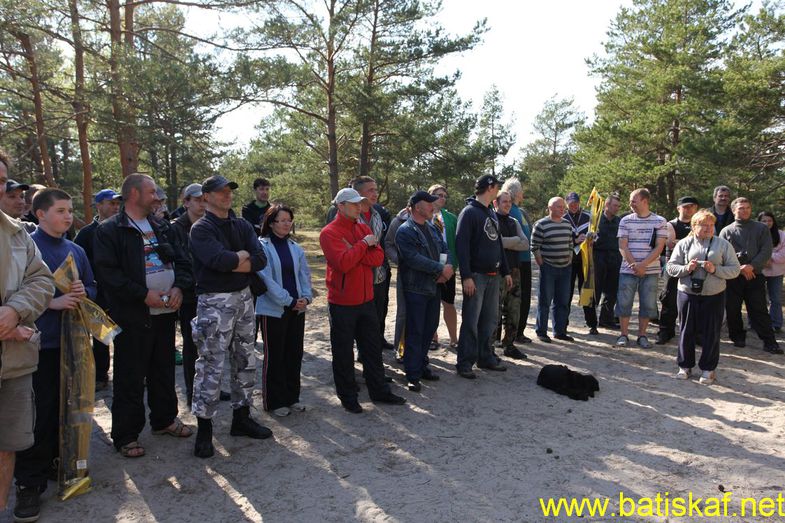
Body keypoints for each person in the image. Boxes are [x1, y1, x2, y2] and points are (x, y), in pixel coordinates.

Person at [94, 173, 194, 459]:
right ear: (135, 194)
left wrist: (178, 287)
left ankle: (164, 420)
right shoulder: (110, 230)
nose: (157, 197)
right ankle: (126, 435)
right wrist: (142, 294)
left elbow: (183, 261)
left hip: (165, 313)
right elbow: (109, 274)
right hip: (133, 316)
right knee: (130, 376)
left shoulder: (162, 226)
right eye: (151, 192)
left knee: (163, 369)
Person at [13, 189, 97, 522]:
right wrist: (52, 302)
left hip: (73, 344)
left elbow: (92, 286)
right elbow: (15, 293)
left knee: (68, 408)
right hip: (39, 346)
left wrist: (83, 292)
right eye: (60, 210)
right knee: (39, 414)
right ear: (40, 214)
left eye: (70, 210)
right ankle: (28, 484)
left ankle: (57, 464)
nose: (68, 216)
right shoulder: (26, 247)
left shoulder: (76, 250)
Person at [189, 175, 273, 458]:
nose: (227, 195)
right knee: (211, 364)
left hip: (244, 299)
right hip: (214, 301)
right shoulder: (201, 229)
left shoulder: (241, 225)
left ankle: (242, 417)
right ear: (206, 197)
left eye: (229, 191)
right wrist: (240, 258)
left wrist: (235, 260)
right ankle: (204, 428)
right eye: (220, 191)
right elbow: (218, 260)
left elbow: (260, 260)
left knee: (245, 359)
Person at [0, 150, 54, 516]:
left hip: (14, 365)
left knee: (8, 446)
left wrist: (15, 310)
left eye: (2, 180)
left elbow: (41, 280)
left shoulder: (17, 233)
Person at [319, 188, 406, 413]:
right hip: (342, 302)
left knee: (372, 349)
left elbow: (378, 258)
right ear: (340, 206)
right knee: (343, 352)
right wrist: (363, 245)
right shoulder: (329, 232)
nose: (359, 207)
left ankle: (379, 391)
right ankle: (348, 396)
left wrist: (357, 250)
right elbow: (343, 263)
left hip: (366, 299)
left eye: (360, 203)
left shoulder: (363, 228)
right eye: (354, 203)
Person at [666, 210, 740, 385]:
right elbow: (671, 267)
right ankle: (685, 366)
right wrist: (686, 269)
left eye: (711, 225)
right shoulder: (684, 243)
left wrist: (715, 270)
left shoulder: (723, 245)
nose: (708, 228)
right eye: (704, 225)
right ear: (694, 226)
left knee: (711, 332)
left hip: (714, 294)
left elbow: (735, 270)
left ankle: (708, 369)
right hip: (687, 293)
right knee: (686, 330)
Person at [256, 204, 313, 417]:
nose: (286, 224)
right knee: (275, 355)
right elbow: (266, 279)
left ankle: (292, 397)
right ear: (271, 223)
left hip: (297, 309)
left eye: (289, 220)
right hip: (274, 309)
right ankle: (275, 400)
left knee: (294, 354)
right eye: (282, 220)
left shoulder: (295, 247)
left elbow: (304, 275)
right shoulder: (261, 246)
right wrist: (288, 301)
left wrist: (306, 297)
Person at [454, 174, 511, 379]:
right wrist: (466, 276)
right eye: (497, 187)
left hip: (493, 275)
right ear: (490, 187)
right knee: (471, 320)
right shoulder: (469, 213)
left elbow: (498, 243)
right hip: (476, 276)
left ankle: (485, 357)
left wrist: (506, 271)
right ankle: (465, 362)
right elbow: (461, 246)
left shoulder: (490, 212)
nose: (498, 190)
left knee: (489, 320)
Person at [327, 177, 394, 350]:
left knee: (379, 313)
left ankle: (378, 342)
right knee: (346, 338)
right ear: (357, 193)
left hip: (379, 275)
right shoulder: (339, 217)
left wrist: (357, 249)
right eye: (370, 190)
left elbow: (378, 252)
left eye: (376, 189)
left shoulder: (379, 212)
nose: (375, 193)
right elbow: (344, 258)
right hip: (350, 284)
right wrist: (364, 245)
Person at [395, 191, 453, 391]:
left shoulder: (432, 227)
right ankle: (412, 373)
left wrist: (446, 268)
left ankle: (421, 365)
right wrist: (440, 269)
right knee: (415, 330)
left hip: (434, 286)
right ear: (416, 206)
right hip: (416, 288)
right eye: (428, 203)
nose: (432, 206)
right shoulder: (405, 230)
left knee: (429, 328)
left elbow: (445, 249)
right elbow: (412, 258)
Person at [74, 188, 122, 391]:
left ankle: (127, 375)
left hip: (122, 294)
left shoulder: (124, 228)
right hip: (98, 296)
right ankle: (101, 376)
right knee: (101, 337)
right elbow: (77, 263)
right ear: (99, 205)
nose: (116, 207)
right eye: (111, 203)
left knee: (126, 337)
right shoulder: (86, 234)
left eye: (117, 203)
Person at [719, 198, 782, 354]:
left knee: (759, 309)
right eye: (741, 208)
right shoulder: (726, 231)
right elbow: (722, 254)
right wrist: (739, 268)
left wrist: (751, 266)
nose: (745, 210)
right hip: (733, 277)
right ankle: (737, 336)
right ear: (734, 210)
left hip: (755, 275)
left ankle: (769, 341)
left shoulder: (761, 228)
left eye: (747, 207)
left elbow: (766, 250)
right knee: (733, 309)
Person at [615, 188, 667, 348]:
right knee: (624, 302)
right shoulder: (625, 221)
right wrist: (634, 265)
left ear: (645, 201)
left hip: (650, 270)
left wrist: (643, 265)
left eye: (633, 201)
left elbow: (659, 247)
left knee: (648, 303)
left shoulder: (660, 221)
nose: (630, 204)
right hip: (627, 269)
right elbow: (622, 245)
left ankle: (642, 335)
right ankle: (623, 334)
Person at [170, 183, 207, 406]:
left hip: (210, 293)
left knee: (211, 345)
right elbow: (178, 262)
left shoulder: (211, 224)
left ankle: (210, 387)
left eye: (205, 200)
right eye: (197, 200)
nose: (202, 204)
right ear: (186, 202)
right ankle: (193, 391)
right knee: (192, 345)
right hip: (189, 295)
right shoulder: (175, 228)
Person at [656, 196, 699, 345]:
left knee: (694, 302)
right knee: (669, 301)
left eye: (692, 206)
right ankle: (665, 331)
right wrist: (693, 242)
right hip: (673, 268)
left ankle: (694, 334)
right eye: (686, 206)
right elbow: (670, 243)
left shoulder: (699, 224)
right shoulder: (671, 224)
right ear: (678, 208)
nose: (689, 209)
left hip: (694, 268)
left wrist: (680, 241)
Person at [531, 197, 574, 343]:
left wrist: (569, 257)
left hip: (565, 268)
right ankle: (541, 331)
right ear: (550, 208)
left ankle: (560, 332)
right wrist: (541, 263)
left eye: (563, 207)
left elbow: (570, 243)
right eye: (559, 207)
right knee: (545, 301)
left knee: (562, 301)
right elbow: (534, 246)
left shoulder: (567, 224)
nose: (562, 209)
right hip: (548, 267)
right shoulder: (541, 224)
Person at [494, 191, 528, 358]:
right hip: (497, 271)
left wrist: (506, 242)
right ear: (496, 203)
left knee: (514, 309)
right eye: (504, 201)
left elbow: (525, 244)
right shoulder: (492, 220)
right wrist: (514, 240)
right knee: (495, 311)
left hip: (514, 270)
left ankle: (509, 344)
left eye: (509, 201)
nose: (507, 204)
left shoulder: (514, 221)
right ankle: (490, 347)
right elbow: (495, 242)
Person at [501, 178, 534, 343]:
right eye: (521, 190)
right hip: (518, 262)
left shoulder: (519, 211)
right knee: (517, 299)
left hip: (524, 259)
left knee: (523, 297)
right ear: (516, 192)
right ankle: (516, 333)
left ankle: (518, 332)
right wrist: (518, 242)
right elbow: (515, 240)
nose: (523, 193)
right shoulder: (512, 212)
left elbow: (526, 239)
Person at [428, 184, 459, 349]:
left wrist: (453, 266)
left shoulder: (451, 218)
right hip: (429, 267)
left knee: (449, 303)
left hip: (448, 267)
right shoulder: (423, 215)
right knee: (431, 304)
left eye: (445, 196)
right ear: (430, 195)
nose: (443, 198)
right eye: (439, 195)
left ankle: (454, 339)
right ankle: (433, 338)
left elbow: (457, 243)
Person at [587, 194, 622, 331]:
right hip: (598, 257)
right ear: (606, 205)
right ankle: (592, 322)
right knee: (595, 290)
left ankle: (606, 319)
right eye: (615, 205)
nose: (617, 208)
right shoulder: (595, 220)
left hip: (615, 257)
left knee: (612, 291)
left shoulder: (620, 221)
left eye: (618, 206)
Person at [564, 191, 594, 330]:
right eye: (571, 203)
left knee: (587, 291)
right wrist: (574, 240)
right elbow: (561, 239)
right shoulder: (563, 218)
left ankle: (592, 323)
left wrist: (591, 239)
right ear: (566, 204)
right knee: (566, 293)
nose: (574, 206)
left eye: (576, 203)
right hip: (569, 260)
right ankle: (563, 324)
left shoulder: (588, 217)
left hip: (585, 259)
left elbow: (597, 234)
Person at [384, 205, 410, 360]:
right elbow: (388, 244)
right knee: (404, 313)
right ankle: (401, 350)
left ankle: (419, 351)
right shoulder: (398, 221)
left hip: (428, 275)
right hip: (406, 274)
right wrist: (399, 260)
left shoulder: (432, 221)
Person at [759, 211, 785, 332]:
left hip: (776, 272)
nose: (767, 223)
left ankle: (776, 323)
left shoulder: (782, 235)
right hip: (759, 271)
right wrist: (764, 259)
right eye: (764, 221)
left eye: (769, 220)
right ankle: (756, 322)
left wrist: (770, 257)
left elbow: (783, 254)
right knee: (757, 298)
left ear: (773, 221)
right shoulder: (755, 233)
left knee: (775, 299)